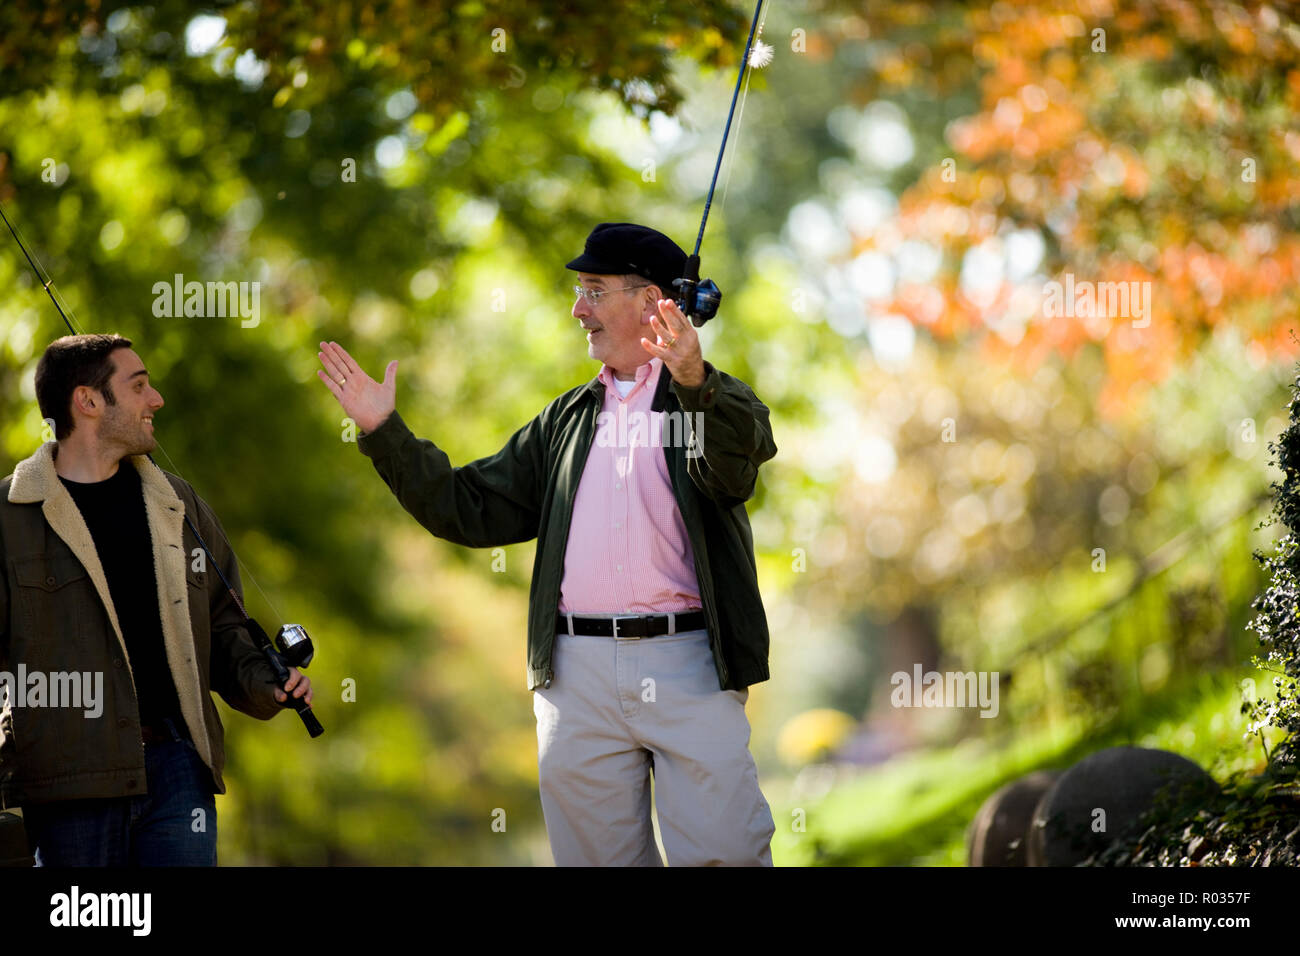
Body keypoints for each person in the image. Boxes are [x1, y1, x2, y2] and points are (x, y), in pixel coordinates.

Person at [318, 222, 777, 866]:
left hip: (692, 664)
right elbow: (468, 510)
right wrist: (383, 431)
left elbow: (729, 472)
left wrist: (695, 378)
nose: (577, 309)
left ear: (652, 303)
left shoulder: (715, 400)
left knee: (725, 854)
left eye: (593, 290)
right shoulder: (563, 421)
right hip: (575, 674)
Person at [0, 333, 312, 866]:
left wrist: (269, 681)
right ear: (89, 401)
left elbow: (224, 625)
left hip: (178, 771)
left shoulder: (179, 505)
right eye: (139, 385)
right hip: (67, 784)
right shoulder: (9, 517)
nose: (156, 399)